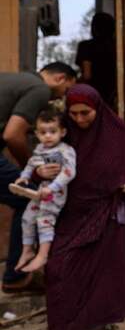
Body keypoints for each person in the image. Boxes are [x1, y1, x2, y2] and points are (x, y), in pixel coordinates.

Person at [29, 84, 125, 330]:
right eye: (74, 114)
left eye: (85, 113)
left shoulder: (120, 135)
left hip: (108, 214)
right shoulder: (65, 135)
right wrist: (40, 172)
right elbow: (40, 162)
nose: (81, 119)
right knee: (59, 267)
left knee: (102, 278)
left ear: (97, 109)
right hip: (71, 214)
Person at [0, 62, 76, 292]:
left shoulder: (16, 80)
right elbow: (13, 135)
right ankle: (16, 277)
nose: (63, 97)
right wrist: (32, 171)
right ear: (60, 78)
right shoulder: (39, 89)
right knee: (29, 196)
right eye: (67, 90)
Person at [11, 110, 76, 273]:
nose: (47, 136)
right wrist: (24, 177)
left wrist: (52, 188)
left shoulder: (65, 150)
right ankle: (27, 250)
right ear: (36, 134)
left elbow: (69, 172)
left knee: (44, 218)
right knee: (27, 216)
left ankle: (43, 254)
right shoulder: (40, 149)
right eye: (43, 132)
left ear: (63, 132)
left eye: (52, 132)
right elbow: (32, 163)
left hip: (56, 192)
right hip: (41, 191)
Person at [75, 12, 117, 109]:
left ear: (94, 28)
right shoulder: (118, 47)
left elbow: (87, 75)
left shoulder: (86, 46)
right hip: (113, 93)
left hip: (93, 95)